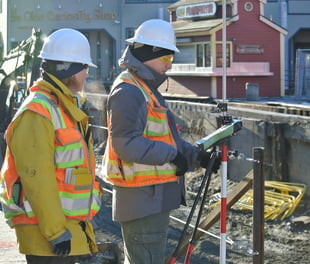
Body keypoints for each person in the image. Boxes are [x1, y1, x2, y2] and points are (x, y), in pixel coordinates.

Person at [101, 19, 219, 264]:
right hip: (142, 201)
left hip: (150, 200)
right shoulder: (129, 92)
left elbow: (167, 139)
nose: (169, 66)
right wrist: (172, 155)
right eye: (166, 59)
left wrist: (197, 156)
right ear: (147, 54)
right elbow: (125, 144)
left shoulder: (145, 90)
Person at [0, 28, 102, 264]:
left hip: (65, 230)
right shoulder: (38, 111)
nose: (87, 74)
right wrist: (56, 232)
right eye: (84, 68)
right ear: (69, 69)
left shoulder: (62, 107)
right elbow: (37, 178)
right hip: (49, 237)